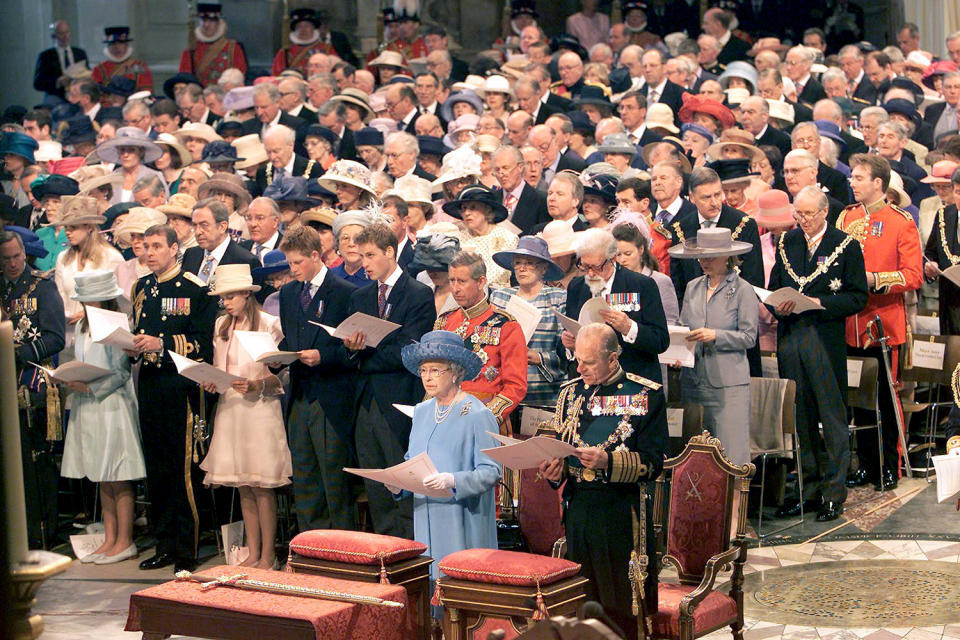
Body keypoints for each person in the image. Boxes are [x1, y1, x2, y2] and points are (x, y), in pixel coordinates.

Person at [538, 322, 667, 640]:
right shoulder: (569, 393)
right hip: (579, 510)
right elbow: (562, 449)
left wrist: (609, 462)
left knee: (619, 604)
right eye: (578, 359)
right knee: (583, 603)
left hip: (620, 514)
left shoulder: (642, 394)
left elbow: (654, 464)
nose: (579, 367)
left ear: (613, 358)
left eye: (589, 362)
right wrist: (554, 473)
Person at [769, 186, 868, 522]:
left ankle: (834, 492)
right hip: (791, 338)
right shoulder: (787, 242)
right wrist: (778, 306)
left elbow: (858, 297)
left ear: (825, 211)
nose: (803, 220)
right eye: (798, 213)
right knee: (801, 418)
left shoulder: (846, 245)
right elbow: (773, 288)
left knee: (832, 417)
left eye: (809, 214)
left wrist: (822, 303)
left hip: (824, 339)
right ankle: (808, 490)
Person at [390, 330, 501, 607]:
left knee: (461, 598)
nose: (427, 377)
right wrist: (399, 483)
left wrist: (453, 480)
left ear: (454, 372)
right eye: (423, 370)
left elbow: (491, 472)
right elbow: (411, 459)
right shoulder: (423, 411)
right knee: (432, 595)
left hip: (462, 519)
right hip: (425, 515)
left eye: (435, 370)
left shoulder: (478, 413)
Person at [130, 224, 218, 573]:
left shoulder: (194, 288)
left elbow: (203, 343)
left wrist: (162, 344)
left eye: (155, 246)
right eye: (144, 246)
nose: (148, 253)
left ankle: (187, 547)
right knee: (157, 468)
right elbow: (139, 330)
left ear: (173, 248)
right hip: (150, 382)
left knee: (183, 468)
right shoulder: (142, 287)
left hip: (181, 385)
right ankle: (163, 542)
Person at [341, 222, 436, 538]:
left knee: (402, 484)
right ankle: (384, 558)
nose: (364, 263)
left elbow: (408, 352)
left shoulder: (419, 294)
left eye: (370, 255)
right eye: (362, 255)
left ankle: (411, 559)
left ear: (390, 252)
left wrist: (366, 353)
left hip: (399, 400)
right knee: (376, 484)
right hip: (364, 401)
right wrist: (354, 350)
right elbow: (353, 351)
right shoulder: (360, 295)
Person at [838, 154, 923, 492]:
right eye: (852, 177)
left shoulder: (901, 221)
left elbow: (913, 275)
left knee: (887, 401)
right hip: (850, 323)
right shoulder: (846, 217)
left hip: (882, 324)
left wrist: (874, 279)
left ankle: (890, 465)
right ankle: (867, 464)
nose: (852, 182)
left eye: (859, 178)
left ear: (878, 183)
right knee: (858, 400)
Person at [199, 264, 292, 569]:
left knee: (262, 484)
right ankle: (253, 551)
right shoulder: (221, 325)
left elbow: (284, 374)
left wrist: (258, 383)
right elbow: (220, 368)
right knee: (243, 484)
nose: (225, 302)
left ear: (245, 295)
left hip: (260, 410)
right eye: (222, 297)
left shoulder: (268, 324)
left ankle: (269, 554)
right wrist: (212, 381)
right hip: (232, 409)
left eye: (230, 296)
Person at [276, 226, 359, 531]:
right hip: (299, 395)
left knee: (335, 482)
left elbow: (353, 350)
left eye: (297, 262)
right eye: (289, 263)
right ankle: (311, 551)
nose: (292, 269)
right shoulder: (287, 293)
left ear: (315, 255)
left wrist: (324, 357)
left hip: (330, 397)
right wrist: (273, 358)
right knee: (306, 478)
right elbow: (290, 339)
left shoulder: (345, 292)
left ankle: (344, 555)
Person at [60, 270, 145, 564]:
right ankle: (110, 537)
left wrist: (91, 386)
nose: (86, 307)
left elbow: (121, 372)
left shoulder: (115, 323)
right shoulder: (84, 324)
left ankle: (125, 539)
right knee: (101, 475)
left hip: (112, 406)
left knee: (118, 475)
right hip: (89, 406)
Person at [670, 227, 758, 466]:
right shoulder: (693, 287)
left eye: (710, 256)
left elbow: (749, 337)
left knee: (731, 455)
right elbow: (684, 327)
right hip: (694, 380)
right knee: (695, 455)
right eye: (701, 257)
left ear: (727, 257)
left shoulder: (743, 290)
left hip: (728, 385)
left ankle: (735, 503)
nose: (704, 261)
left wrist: (716, 335)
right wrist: (679, 353)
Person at [0, 229, 65, 548]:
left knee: (37, 459)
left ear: (24, 252)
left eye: (16, 256)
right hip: (4, 382)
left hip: (34, 380)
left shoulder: (43, 286)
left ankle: (43, 531)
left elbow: (55, 337)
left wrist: (16, 355)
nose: (13, 264)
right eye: (6, 259)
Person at [435, 250, 528, 430]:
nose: (455, 288)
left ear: (481, 282)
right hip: (444, 418)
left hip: (484, 420)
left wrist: (484, 418)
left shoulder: (505, 325)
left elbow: (516, 386)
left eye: (461, 281)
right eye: (451, 281)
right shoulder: (444, 322)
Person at [562, 228, 669, 383]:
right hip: (588, 384)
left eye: (596, 267)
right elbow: (569, 333)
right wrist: (569, 346)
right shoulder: (577, 287)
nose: (590, 274)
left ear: (613, 258)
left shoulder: (641, 285)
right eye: (585, 266)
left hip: (631, 382)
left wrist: (629, 327)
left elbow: (661, 341)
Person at [490, 237, 568, 407]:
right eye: (517, 263)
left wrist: (538, 357)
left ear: (544, 268)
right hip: (504, 393)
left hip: (545, 393)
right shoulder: (500, 296)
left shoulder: (557, 298)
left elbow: (567, 351)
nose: (522, 268)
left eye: (529, 263)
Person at [54, 196, 125, 331]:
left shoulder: (111, 257)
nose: (68, 232)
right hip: (68, 333)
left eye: (73, 227)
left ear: (89, 227)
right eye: (66, 227)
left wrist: (87, 314)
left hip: (100, 331)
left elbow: (118, 301)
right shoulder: (63, 258)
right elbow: (60, 295)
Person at [442, 185, 519, 288]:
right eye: (464, 209)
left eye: (473, 207)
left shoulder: (508, 238)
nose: (467, 213)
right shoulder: (457, 240)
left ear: (487, 209)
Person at [611, 220, 679, 325]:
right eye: (618, 255)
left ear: (641, 249)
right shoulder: (613, 281)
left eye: (628, 254)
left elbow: (670, 322)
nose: (622, 259)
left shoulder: (660, 281)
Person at [181, 198, 259, 283]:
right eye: (195, 225)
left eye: (204, 225)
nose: (198, 232)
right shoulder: (191, 254)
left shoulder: (245, 261)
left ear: (222, 227)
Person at [178, 2, 248, 86]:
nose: (206, 25)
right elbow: (184, 77)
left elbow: (240, 76)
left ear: (218, 23)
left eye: (211, 21)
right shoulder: (191, 48)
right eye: (203, 20)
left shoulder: (233, 48)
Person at [34, 20, 89, 103]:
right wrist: (58, 82)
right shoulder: (46, 56)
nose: (65, 36)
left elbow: (88, 73)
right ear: (54, 36)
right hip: (56, 94)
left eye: (67, 32)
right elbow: (38, 83)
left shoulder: (80, 53)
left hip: (78, 93)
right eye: (61, 33)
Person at [408, 232, 460, 315]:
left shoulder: (466, 291)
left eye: (437, 269)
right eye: (428, 268)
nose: (431, 273)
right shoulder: (423, 280)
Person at [90, 27, 153, 93]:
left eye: (121, 43)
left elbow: (147, 91)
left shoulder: (139, 66)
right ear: (108, 47)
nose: (117, 47)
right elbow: (95, 94)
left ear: (126, 45)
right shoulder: (99, 69)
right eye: (113, 44)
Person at [331, 209, 372, 286]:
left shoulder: (377, 277)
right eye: (345, 238)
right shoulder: (328, 277)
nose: (351, 244)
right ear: (338, 243)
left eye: (358, 238)